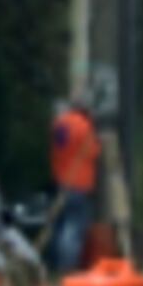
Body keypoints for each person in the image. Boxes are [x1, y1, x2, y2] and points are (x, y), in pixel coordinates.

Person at [49, 92, 103, 271]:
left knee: (59, 227)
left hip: (60, 182)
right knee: (73, 230)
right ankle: (67, 270)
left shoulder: (59, 123)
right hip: (78, 185)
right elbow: (94, 152)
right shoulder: (84, 126)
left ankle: (55, 267)